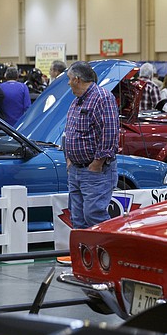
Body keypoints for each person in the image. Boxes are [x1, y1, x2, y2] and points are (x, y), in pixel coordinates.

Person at [63, 61, 119, 229]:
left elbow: (109, 133)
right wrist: (70, 160)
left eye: (69, 78)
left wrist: (97, 163)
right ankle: (84, 255)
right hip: (77, 170)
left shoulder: (102, 98)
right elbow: (69, 132)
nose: (68, 82)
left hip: (95, 171)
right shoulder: (76, 102)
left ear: (77, 80)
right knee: (77, 218)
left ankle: (106, 253)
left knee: (94, 215)